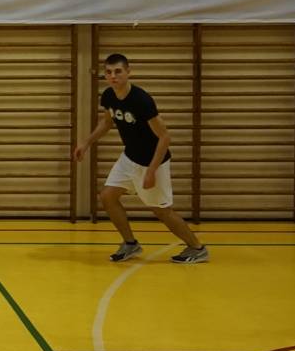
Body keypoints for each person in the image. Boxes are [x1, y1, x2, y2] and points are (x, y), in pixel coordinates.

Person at [73, 53, 209, 264]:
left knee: (162, 211)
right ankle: (130, 244)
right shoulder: (108, 96)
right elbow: (107, 122)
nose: (113, 76)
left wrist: (151, 171)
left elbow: (164, 137)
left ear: (128, 72)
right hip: (130, 157)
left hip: (153, 161)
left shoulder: (141, 100)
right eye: (108, 72)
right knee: (107, 196)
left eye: (118, 71)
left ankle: (197, 248)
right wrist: (86, 143)